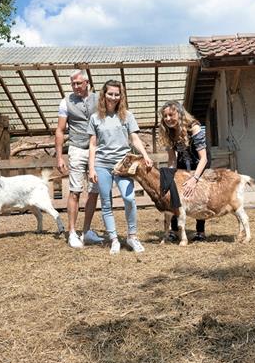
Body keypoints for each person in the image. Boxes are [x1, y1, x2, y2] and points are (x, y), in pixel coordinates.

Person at [87, 79, 153, 254]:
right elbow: (92, 145)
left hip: (123, 164)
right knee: (106, 203)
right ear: (104, 94)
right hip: (102, 164)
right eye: (110, 94)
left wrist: (145, 155)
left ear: (121, 96)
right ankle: (114, 239)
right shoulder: (95, 118)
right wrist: (91, 168)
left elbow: (135, 138)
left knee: (129, 198)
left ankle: (132, 236)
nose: (113, 97)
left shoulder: (127, 116)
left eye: (117, 94)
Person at [55, 70, 104, 248]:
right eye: (73, 84)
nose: (75, 87)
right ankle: (72, 232)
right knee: (75, 191)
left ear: (87, 83)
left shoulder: (99, 99)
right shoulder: (65, 102)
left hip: (96, 149)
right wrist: (60, 156)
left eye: (79, 83)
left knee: (94, 191)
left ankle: (87, 231)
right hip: (76, 148)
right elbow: (60, 130)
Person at [158, 101, 210, 242]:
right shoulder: (167, 131)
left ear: (180, 114)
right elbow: (172, 160)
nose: (168, 119)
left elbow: (203, 158)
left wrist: (194, 179)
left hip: (199, 163)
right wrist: (170, 178)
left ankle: (200, 231)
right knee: (175, 194)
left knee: (198, 194)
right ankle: (175, 230)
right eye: (165, 116)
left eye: (171, 115)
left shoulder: (194, 127)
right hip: (181, 162)